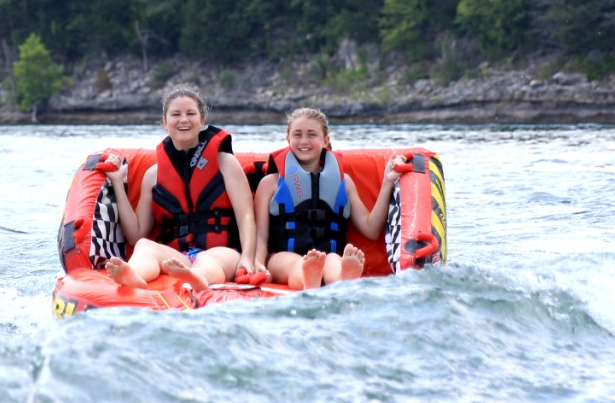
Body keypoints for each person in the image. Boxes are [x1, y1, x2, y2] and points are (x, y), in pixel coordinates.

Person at [101, 85, 258, 290]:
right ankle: (135, 275)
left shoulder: (225, 162)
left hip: (223, 253)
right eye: (176, 114)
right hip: (177, 258)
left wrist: (247, 258)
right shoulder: (153, 175)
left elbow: (246, 215)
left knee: (208, 260)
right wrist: (117, 184)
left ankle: (199, 277)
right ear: (165, 123)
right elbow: (136, 234)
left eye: (190, 113)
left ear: (202, 120)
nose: (183, 119)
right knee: (144, 246)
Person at [253, 107, 405, 290]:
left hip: (329, 254)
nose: (304, 141)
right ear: (288, 140)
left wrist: (388, 182)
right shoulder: (270, 183)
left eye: (311, 135)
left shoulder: (343, 182)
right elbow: (260, 235)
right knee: (295, 264)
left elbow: (370, 228)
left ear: (325, 140)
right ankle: (307, 277)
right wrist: (258, 263)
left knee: (334, 260)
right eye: (297, 135)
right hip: (283, 256)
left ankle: (342, 277)